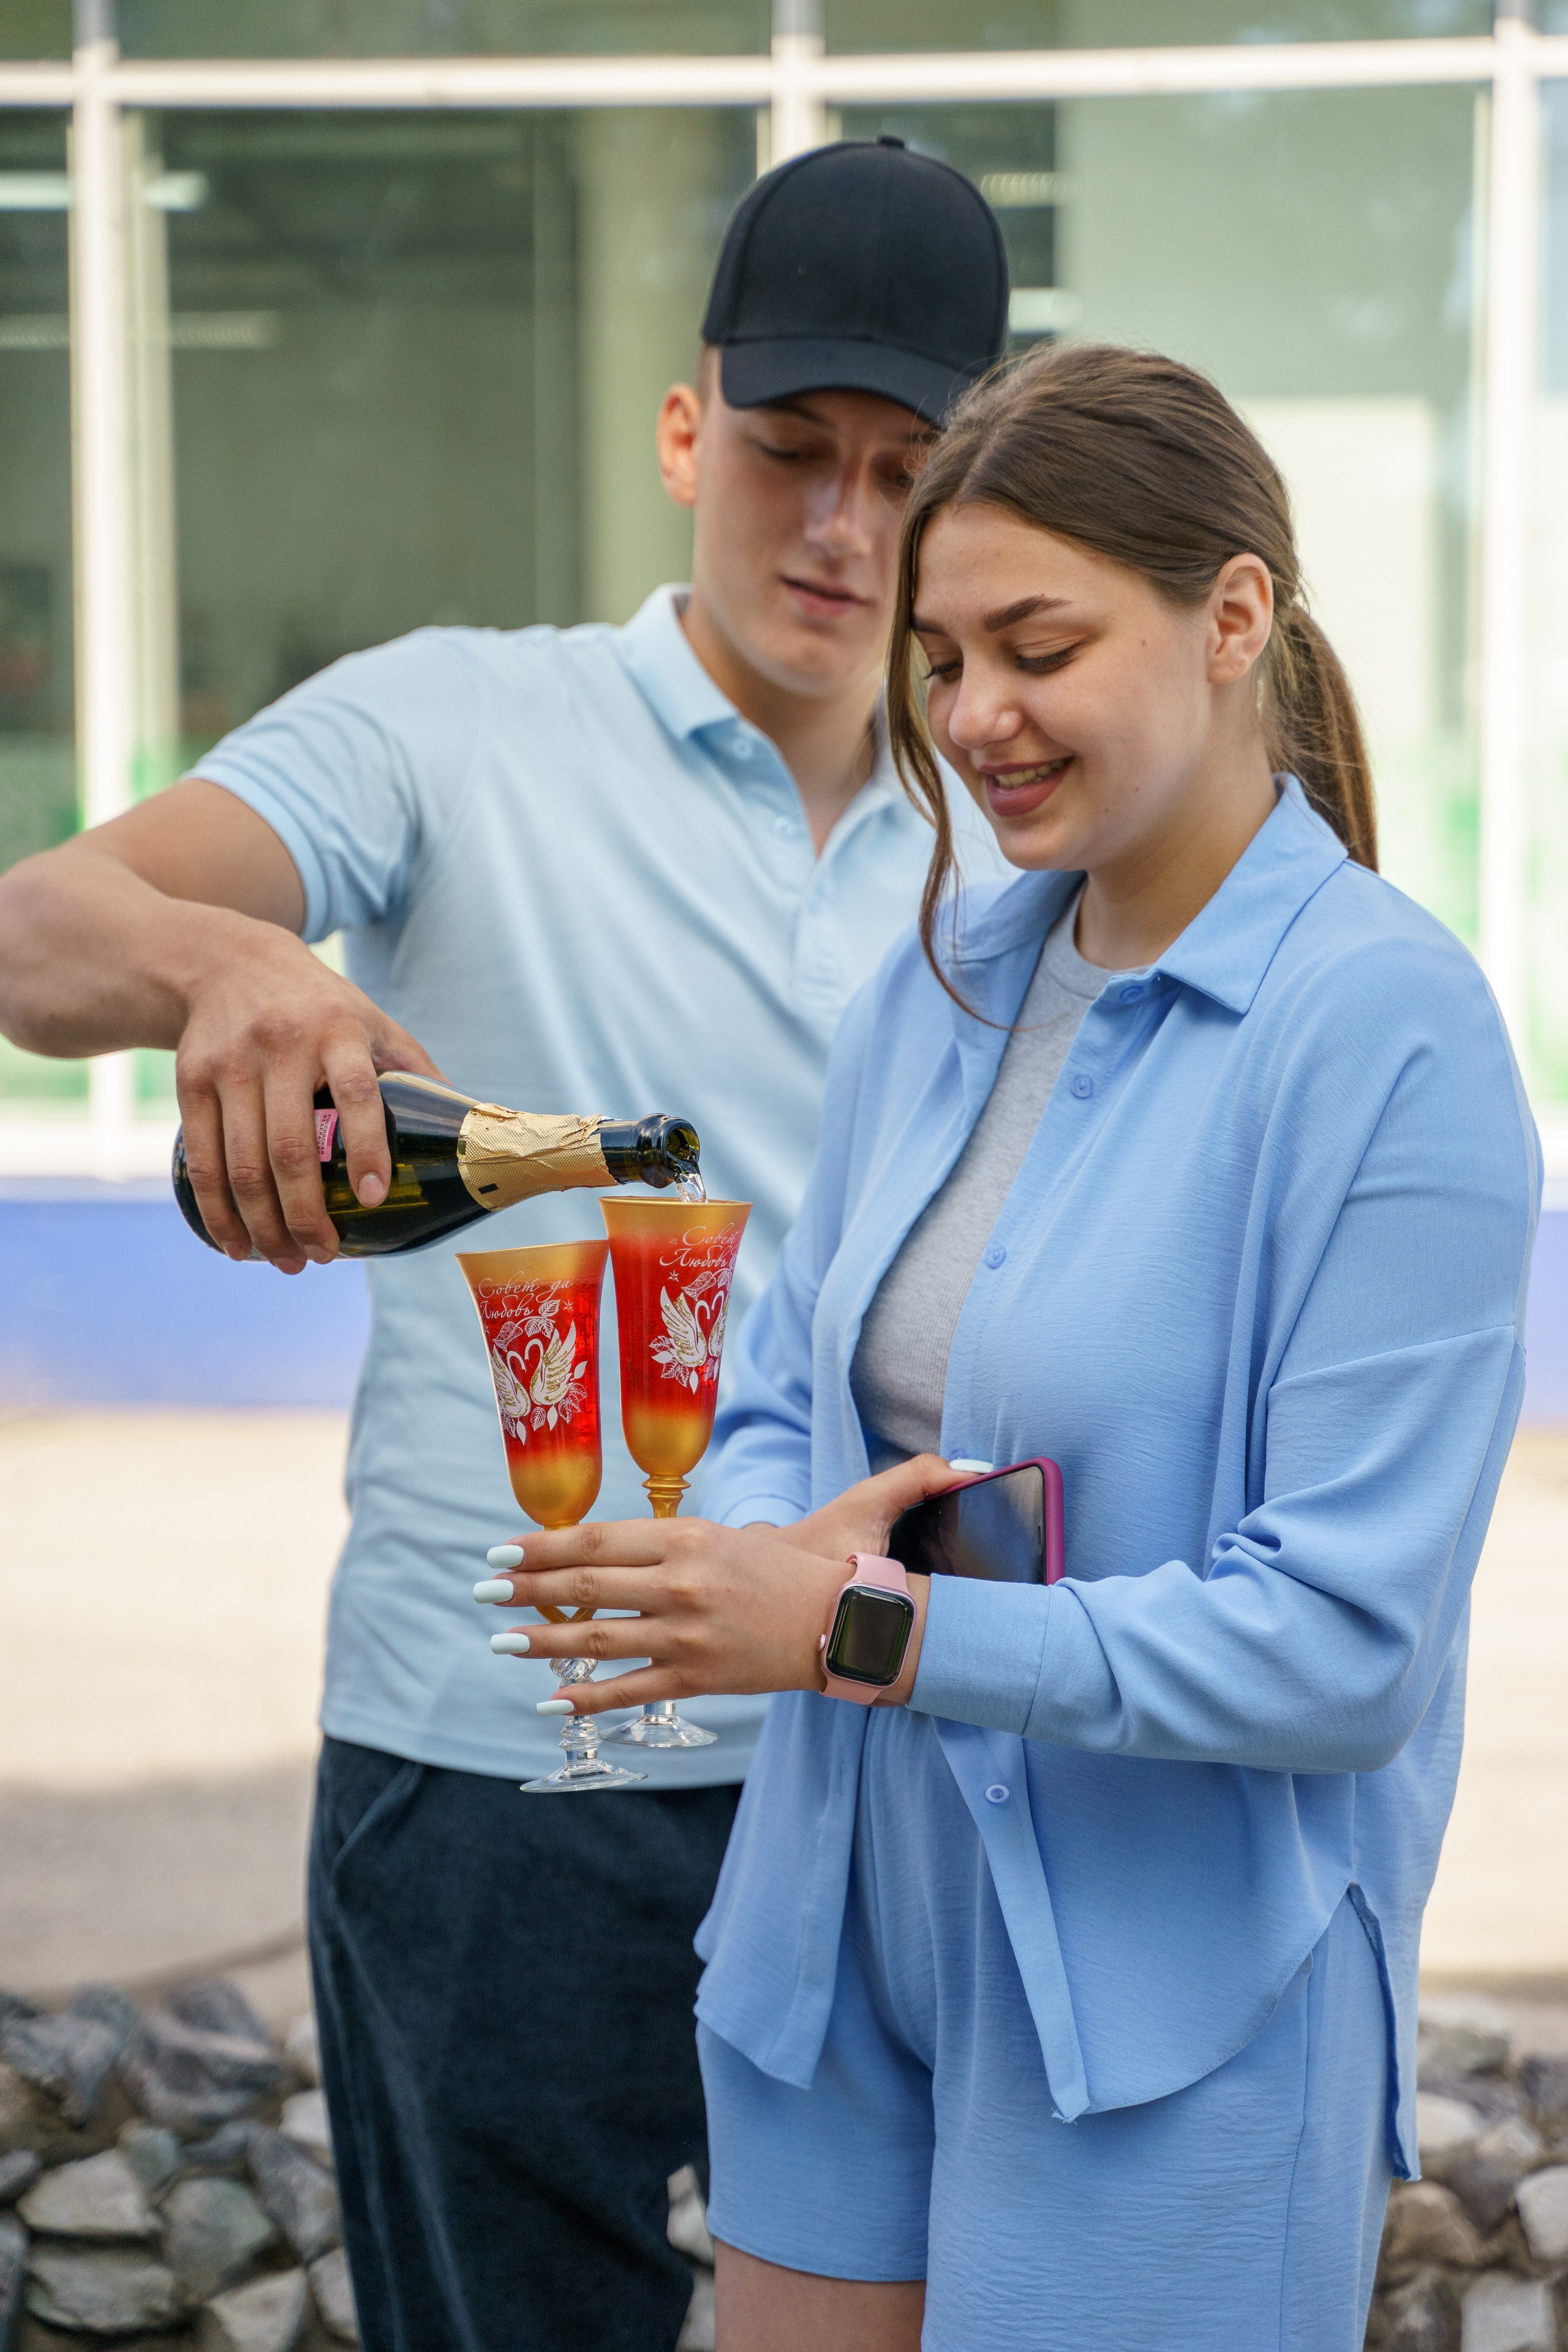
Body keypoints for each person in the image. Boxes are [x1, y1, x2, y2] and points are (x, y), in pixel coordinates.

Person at [0, 142, 1009, 2352]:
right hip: (495, 1771)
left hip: (875, 1746)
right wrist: (228, 975)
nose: (842, 527)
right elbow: (38, 927)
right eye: (789, 452)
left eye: (906, 472)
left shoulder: (1005, 825)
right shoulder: (454, 720)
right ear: (682, 432)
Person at [473, 342, 1540, 2351]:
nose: (973, 718)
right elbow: (799, 1369)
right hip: (833, 1932)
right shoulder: (944, 977)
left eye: (1036, 647)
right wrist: (775, 1546)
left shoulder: (1389, 1035)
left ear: (1234, 618)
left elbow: (1342, 1649)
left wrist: (856, 1631)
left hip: (1174, 1997)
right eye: (940, 657)